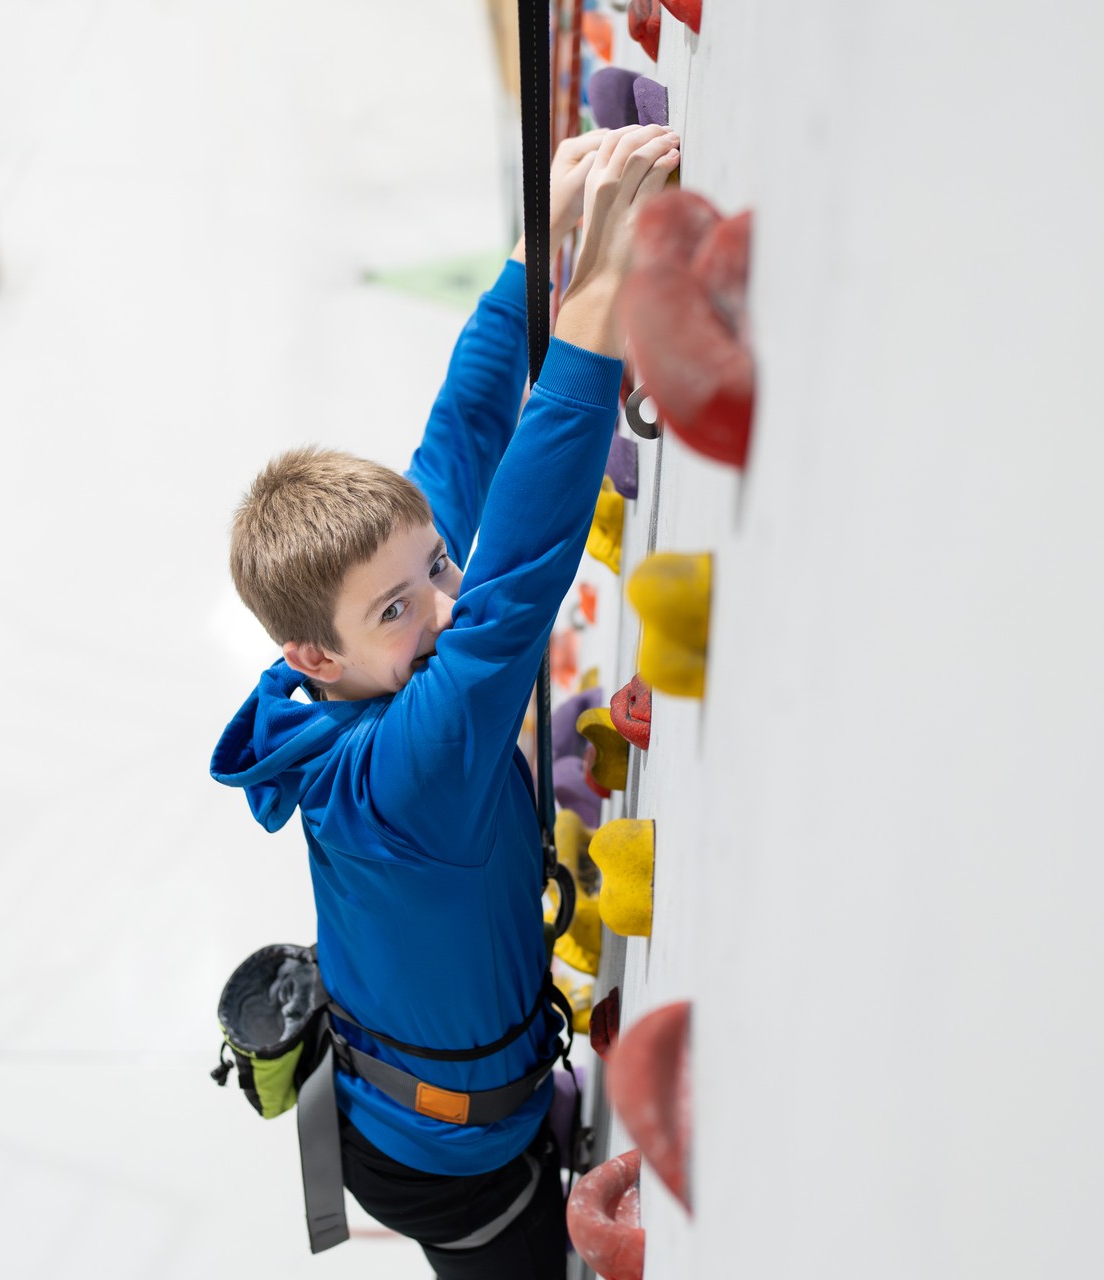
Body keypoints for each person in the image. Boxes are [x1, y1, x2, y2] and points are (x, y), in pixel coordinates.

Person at [211, 124, 680, 1278]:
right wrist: (599, 308)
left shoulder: (377, 641)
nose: (440, 599)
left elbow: (463, 445)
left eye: (433, 565)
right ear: (310, 654)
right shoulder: (407, 761)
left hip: (437, 1094)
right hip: (450, 1163)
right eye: (395, 607)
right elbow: (514, 589)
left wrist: (538, 255)